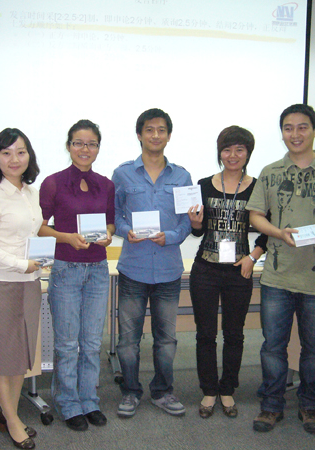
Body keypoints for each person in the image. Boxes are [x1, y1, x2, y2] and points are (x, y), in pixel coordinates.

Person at [246, 104, 315, 435]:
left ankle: (310, 405)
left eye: (303, 127)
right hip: (277, 276)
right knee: (273, 346)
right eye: (288, 128)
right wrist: (278, 233)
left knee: (314, 349)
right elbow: (255, 215)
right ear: (282, 133)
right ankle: (272, 405)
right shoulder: (270, 171)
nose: (295, 134)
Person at [112, 108, 192, 418]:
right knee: (127, 340)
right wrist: (125, 231)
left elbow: (187, 221)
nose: (155, 135)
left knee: (166, 339)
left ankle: (162, 391)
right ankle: (130, 391)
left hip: (169, 270)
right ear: (139, 135)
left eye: (161, 130)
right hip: (133, 269)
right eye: (149, 130)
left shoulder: (182, 176)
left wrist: (170, 236)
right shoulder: (123, 174)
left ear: (168, 135)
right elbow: (114, 216)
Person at [38, 120, 115, 432]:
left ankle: (89, 400)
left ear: (98, 148)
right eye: (79, 143)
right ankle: (68, 402)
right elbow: (39, 227)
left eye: (91, 144)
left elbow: (110, 223)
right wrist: (67, 237)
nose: (85, 149)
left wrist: (108, 235)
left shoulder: (106, 185)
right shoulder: (53, 183)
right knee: (68, 344)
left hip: (97, 269)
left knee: (92, 342)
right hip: (66, 269)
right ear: (69, 146)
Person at [187, 126, 267, 419]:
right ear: (219, 153)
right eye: (227, 149)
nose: (233, 155)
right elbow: (198, 232)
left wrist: (253, 257)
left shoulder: (258, 187)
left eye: (239, 150)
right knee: (205, 334)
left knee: (234, 334)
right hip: (205, 269)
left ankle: (228, 389)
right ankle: (209, 390)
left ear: (248, 153)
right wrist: (195, 224)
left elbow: (267, 230)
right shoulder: (203, 185)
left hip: (239, 271)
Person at [0, 128, 42, 449]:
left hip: (29, 284)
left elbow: (31, 236)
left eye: (21, 152)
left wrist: (38, 261)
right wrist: (20, 264)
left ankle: (8, 414)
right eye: (6, 152)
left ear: (29, 156)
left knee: (20, 355)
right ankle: (13, 421)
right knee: (3, 357)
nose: (15, 159)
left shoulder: (31, 193)